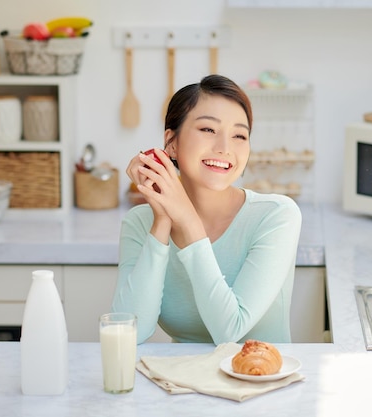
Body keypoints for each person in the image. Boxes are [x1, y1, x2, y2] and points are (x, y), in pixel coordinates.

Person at [112, 74, 302, 344]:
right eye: (208, 130)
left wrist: (188, 222)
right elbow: (128, 333)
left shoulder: (276, 215)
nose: (225, 148)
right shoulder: (140, 222)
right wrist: (163, 220)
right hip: (180, 383)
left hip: (258, 383)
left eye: (239, 135)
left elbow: (230, 331)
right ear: (172, 143)